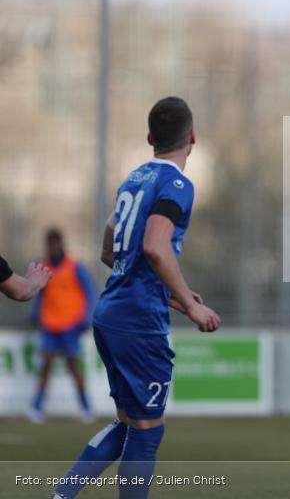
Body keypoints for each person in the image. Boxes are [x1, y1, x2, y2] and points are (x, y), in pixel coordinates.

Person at [52, 96, 221, 499]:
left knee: (129, 422)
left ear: (150, 138)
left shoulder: (134, 179)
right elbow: (155, 248)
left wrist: (173, 295)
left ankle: (62, 494)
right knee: (148, 431)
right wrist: (192, 304)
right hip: (138, 322)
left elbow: (110, 252)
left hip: (110, 313)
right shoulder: (176, 185)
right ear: (192, 137)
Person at [29, 228, 96, 424]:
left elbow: (89, 291)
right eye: (50, 244)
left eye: (55, 244)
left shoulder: (75, 266)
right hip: (50, 324)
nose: (53, 247)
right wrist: (35, 313)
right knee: (46, 366)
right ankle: (37, 408)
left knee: (73, 367)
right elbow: (38, 292)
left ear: (61, 244)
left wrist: (86, 317)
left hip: (70, 325)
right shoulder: (44, 267)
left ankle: (86, 408)